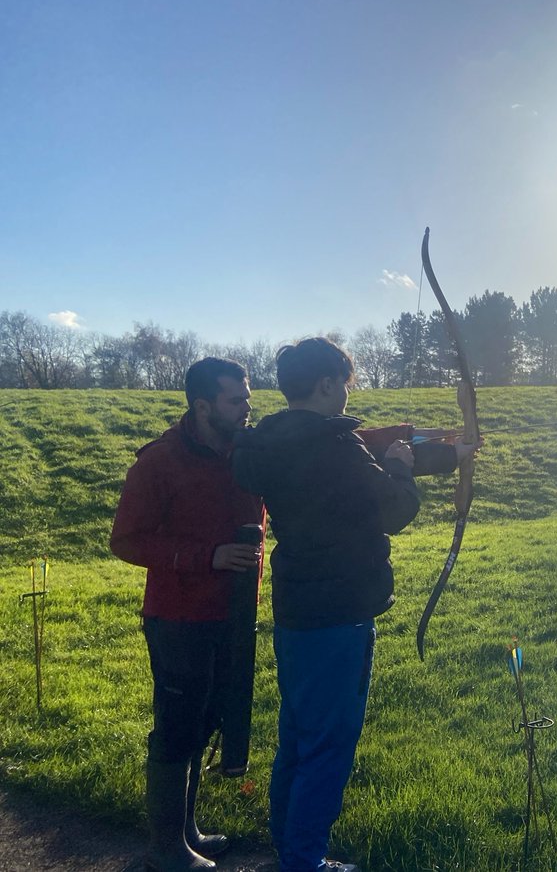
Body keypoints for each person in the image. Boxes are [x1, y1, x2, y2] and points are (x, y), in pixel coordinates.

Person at [231, 337, 477, 872]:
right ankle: (304, 861)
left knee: (298, 736)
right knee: (329, 742)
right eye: (344, 383)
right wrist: (400, 468)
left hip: (295, 606)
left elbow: (347, 463)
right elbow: (394, 509)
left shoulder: (270, 442)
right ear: (325, 384)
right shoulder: (335, 448)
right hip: (339, 610)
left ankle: (290, 850)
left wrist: (441, 451)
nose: (347, 393)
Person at [111, 357, 265, 872]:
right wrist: (208, 556)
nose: (248, 407)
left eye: (248, 397)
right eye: (236, 399)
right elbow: (126, 541)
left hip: (235, 616)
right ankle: (165, 850)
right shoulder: (159, 461)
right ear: (203, 406)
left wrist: (426, 442)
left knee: (203, 723)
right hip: (178, 619)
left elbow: (320, 444)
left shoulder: (248, 450)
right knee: (177, 727)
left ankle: (187, 831)